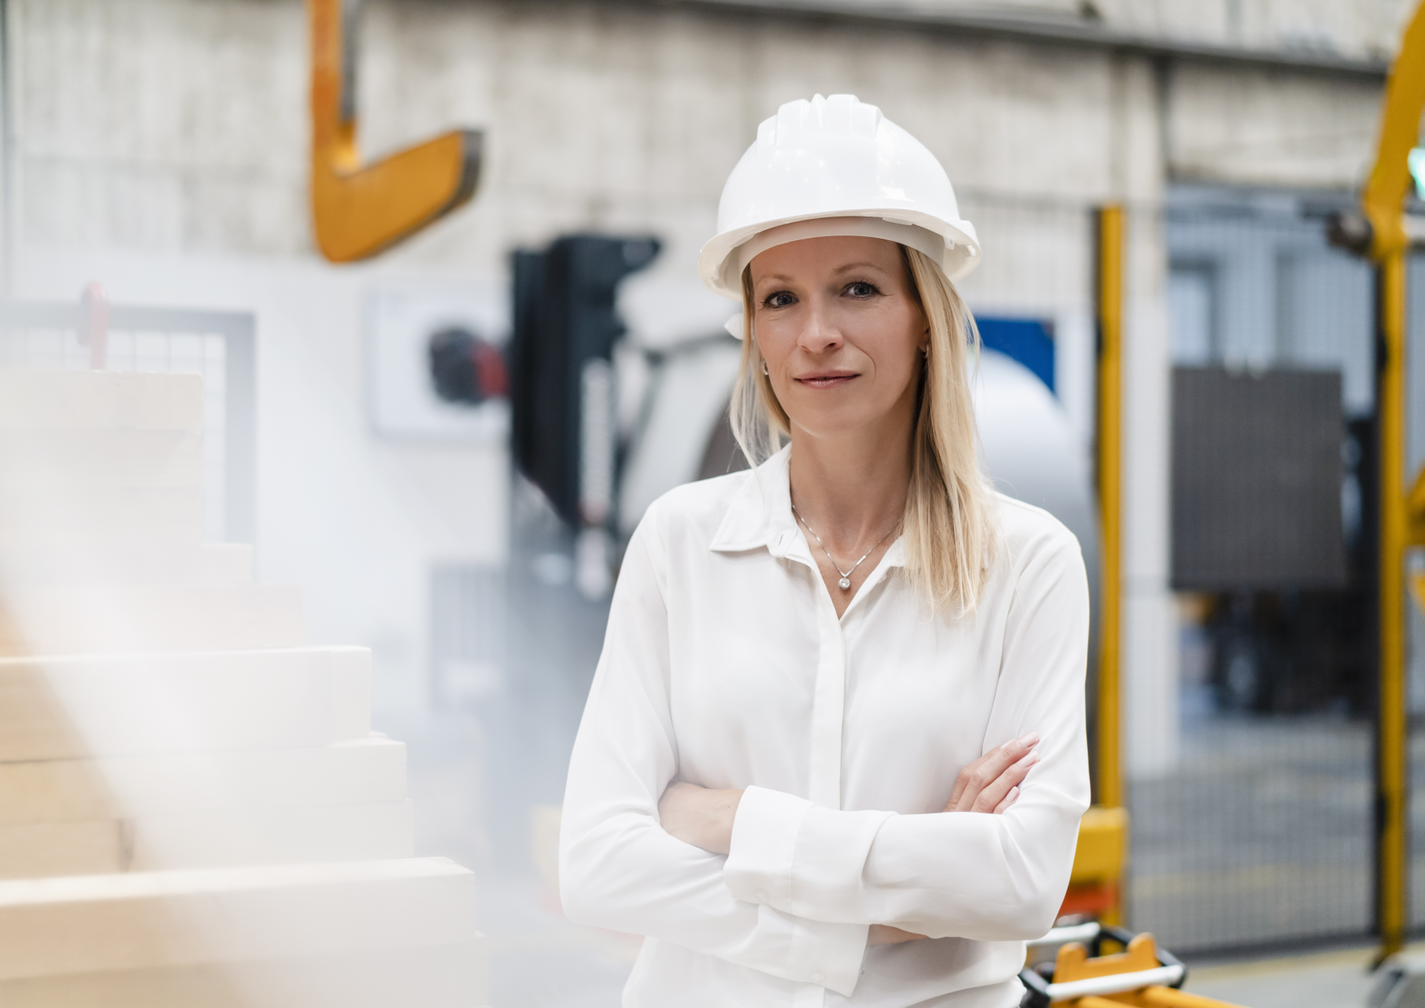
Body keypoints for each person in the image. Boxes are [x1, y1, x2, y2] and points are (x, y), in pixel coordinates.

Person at [559, 93, 1090, 1008]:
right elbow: (599, 866)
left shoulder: (1028, 562)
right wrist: (891, 904)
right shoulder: (680, 544)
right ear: (753, 336)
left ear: (923, 314)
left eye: (856, 287)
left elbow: (1019, 884)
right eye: (779, 298)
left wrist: (727, 820)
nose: (815, 334)